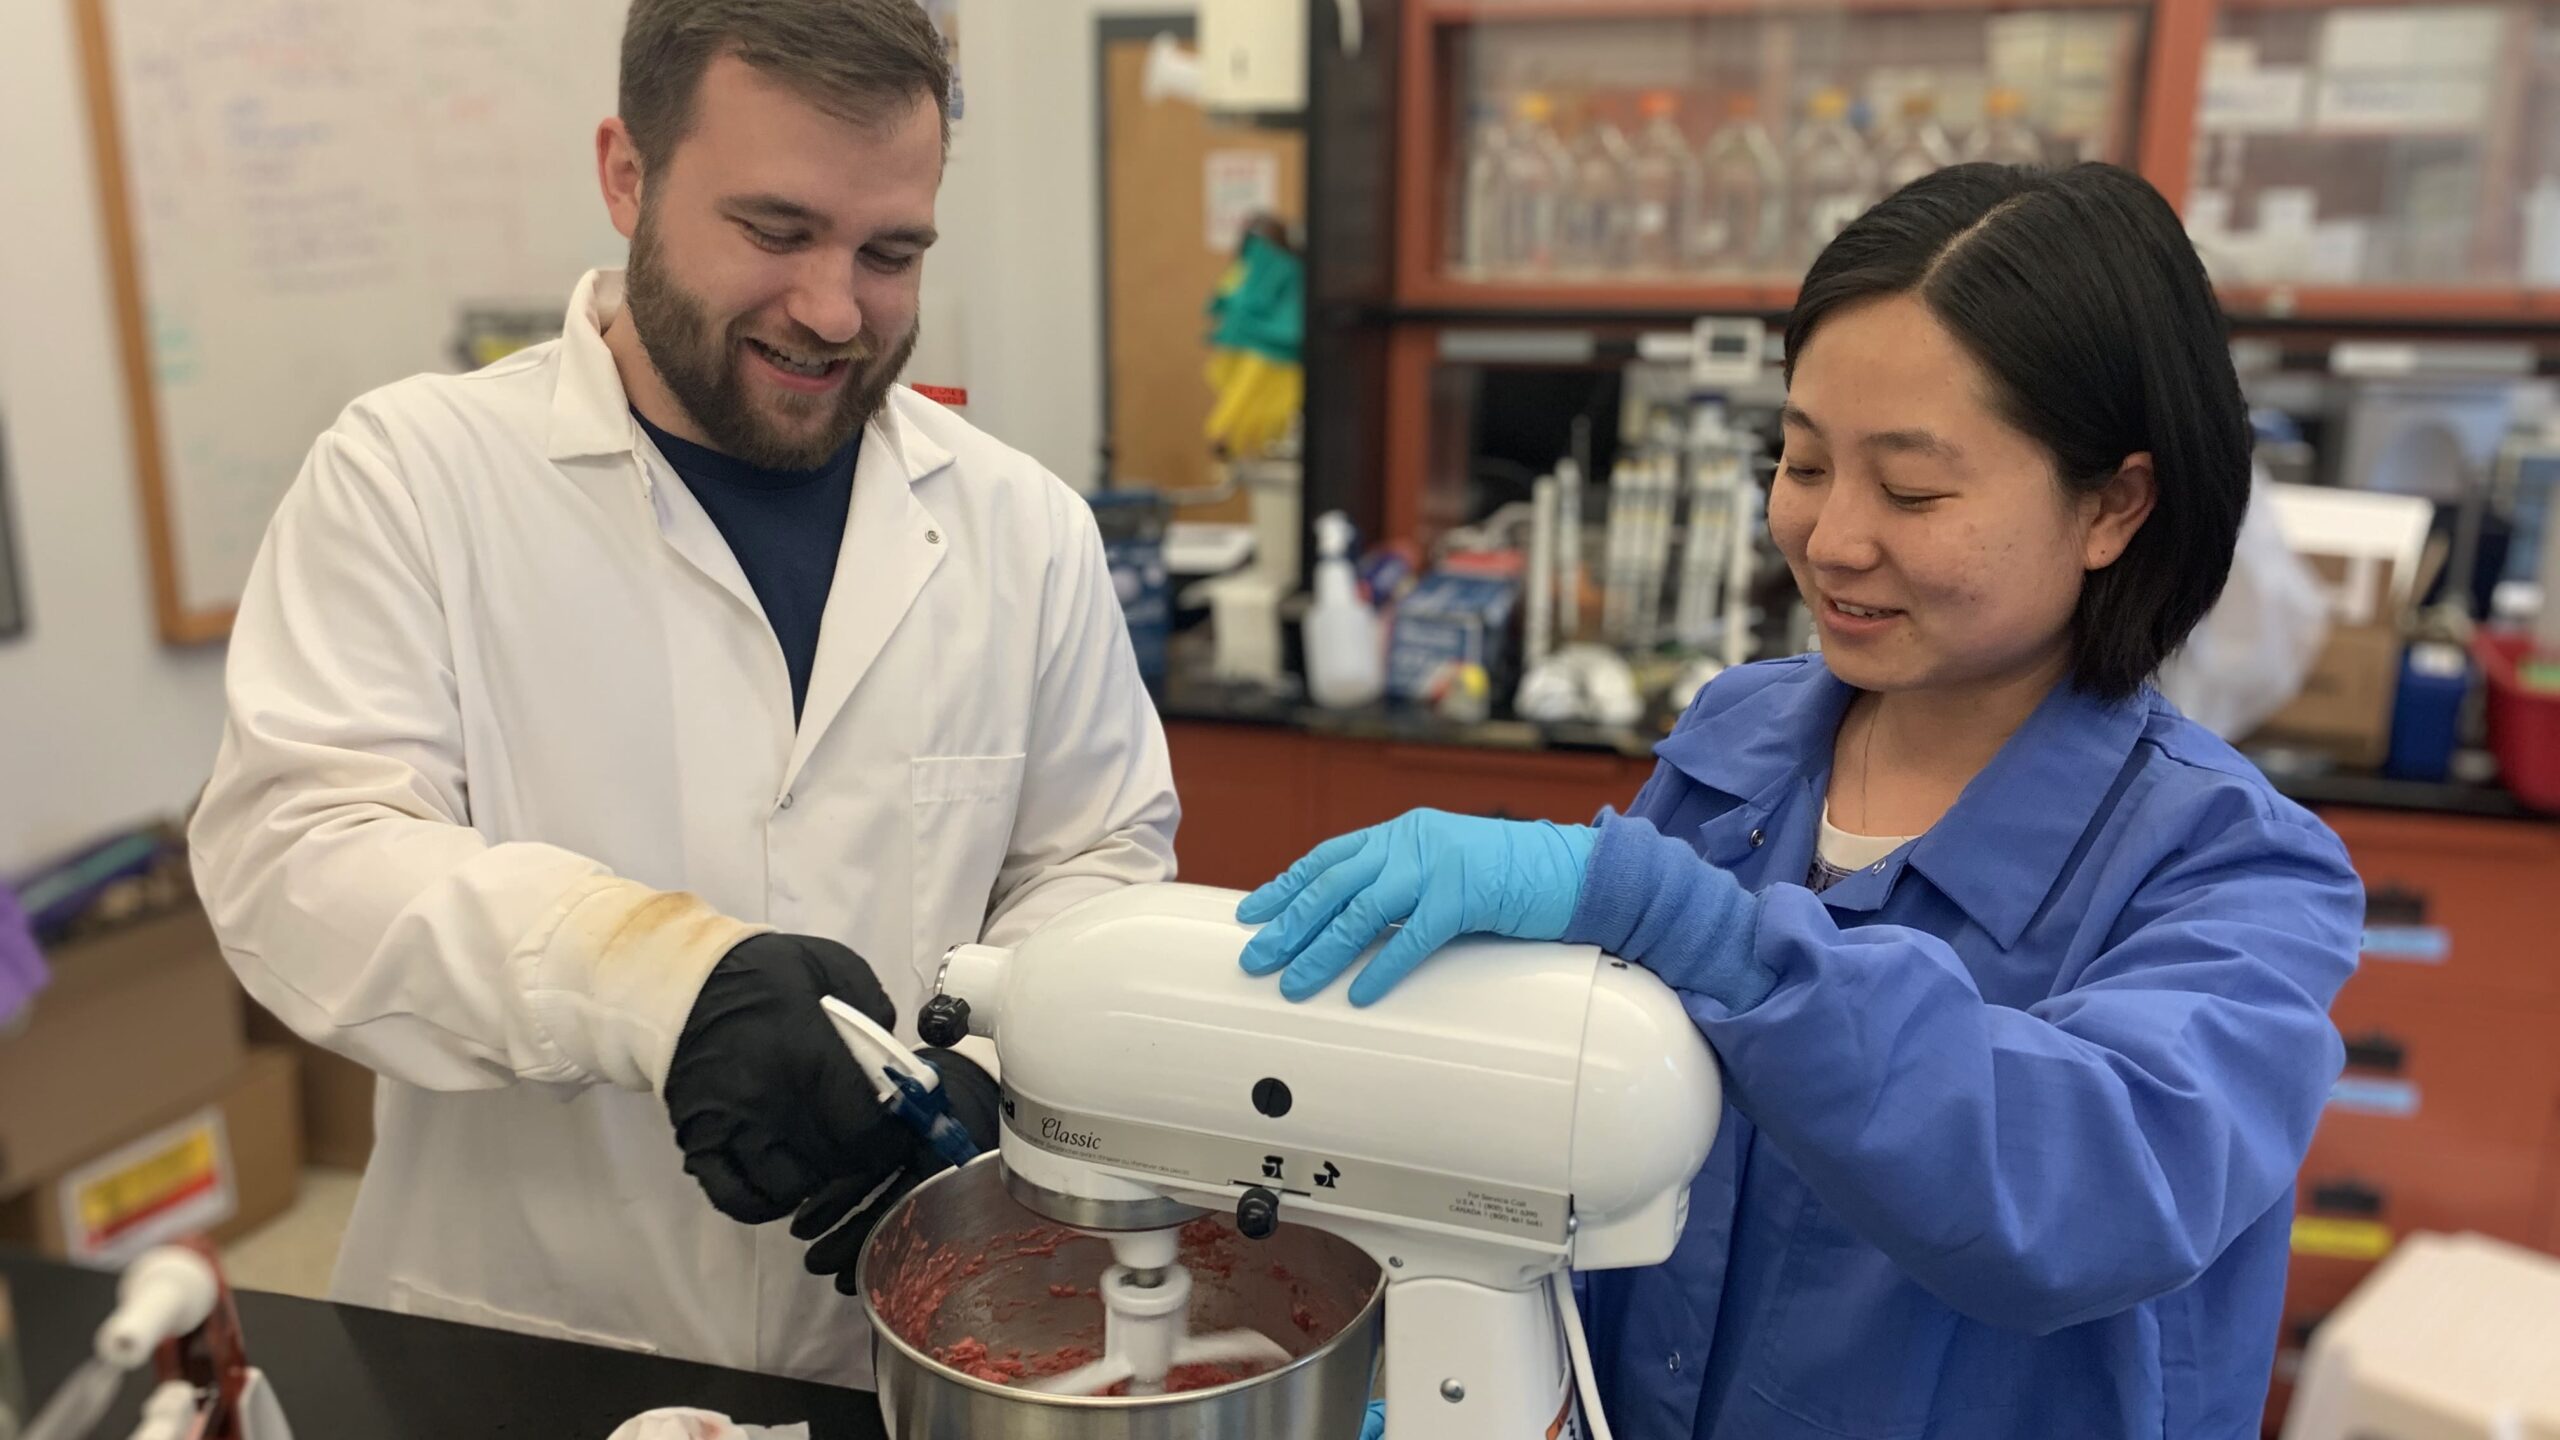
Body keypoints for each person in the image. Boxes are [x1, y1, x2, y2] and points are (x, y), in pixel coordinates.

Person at [1236, 163, 2360, 1438]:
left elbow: (2086, 1191)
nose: (1829, 538)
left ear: (2112, 504)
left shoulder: (2234, 872)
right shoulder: (1741, 741)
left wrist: (1710, 936)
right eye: (1804, 461)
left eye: (1912, 489)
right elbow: (1587, 1121)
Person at [186, 0, 1177, 1385]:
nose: (835, 310)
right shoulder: (413, 479)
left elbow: (1095, 857)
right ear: (626, 174)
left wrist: (1009, 1054)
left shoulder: (1024, 529)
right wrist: (662, 981)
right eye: (774, 231)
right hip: (514, 1346)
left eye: (890, 253)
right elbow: (298, 857)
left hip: (890, 1349)